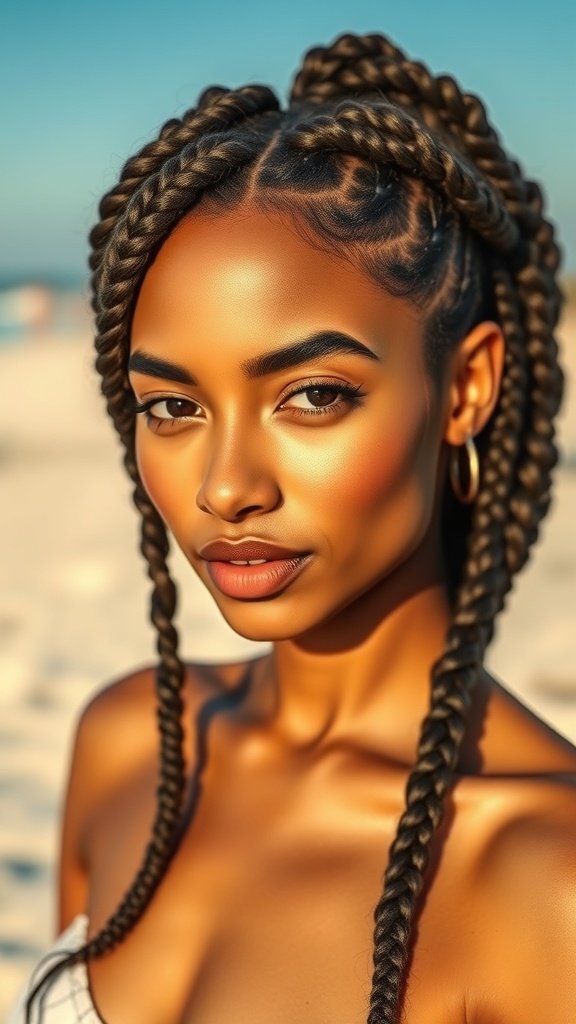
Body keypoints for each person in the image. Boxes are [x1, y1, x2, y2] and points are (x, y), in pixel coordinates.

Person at [12, 29, 576, 1024]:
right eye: (172, 407)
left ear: (467, 388)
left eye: (313, 394)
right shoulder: (125, 744)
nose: (226, 487)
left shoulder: (546, 876)